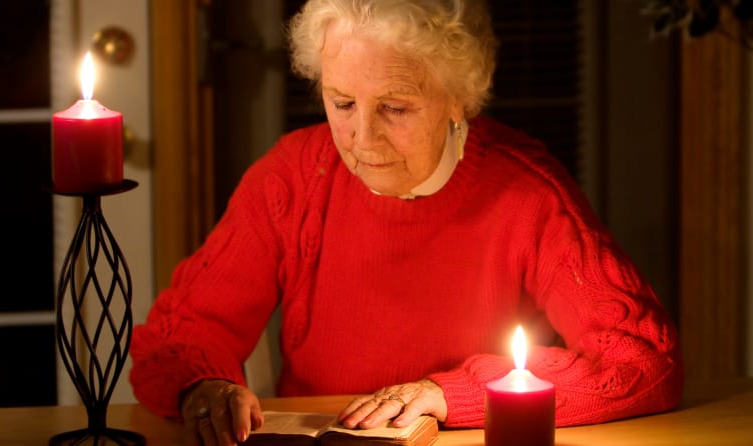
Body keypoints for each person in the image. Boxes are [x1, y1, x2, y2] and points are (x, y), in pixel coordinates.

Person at [129, 0, 684, 445]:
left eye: (395, 108)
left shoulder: (528, 192)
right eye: (342, 103)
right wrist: (204, 384)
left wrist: (450, 395)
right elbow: (179, 338)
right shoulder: (293, 176)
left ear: (458, 100)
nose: (362, 140)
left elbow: (642, 361)